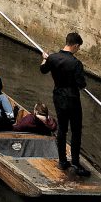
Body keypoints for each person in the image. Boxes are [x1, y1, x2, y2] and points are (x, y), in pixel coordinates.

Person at [40, 32, 90, 176]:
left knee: (62, 129)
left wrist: (45, 59)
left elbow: (43, 70)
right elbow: (81, 84)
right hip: (73, 99)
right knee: (76, 131)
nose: (78, 50)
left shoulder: (53, 58)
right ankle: (75, 163)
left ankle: (62, 161)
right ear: (75, 45)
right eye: (78, 48)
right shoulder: (76, 63)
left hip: (58, 97)